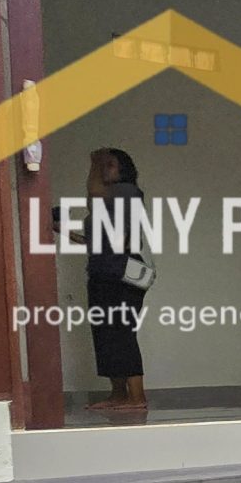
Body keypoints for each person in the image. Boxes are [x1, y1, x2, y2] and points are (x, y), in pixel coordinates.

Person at [84, 147, 148, 412]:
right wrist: (62, 231)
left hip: (121, 275)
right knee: (105, 335)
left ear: (123, 170)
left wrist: (95, 161)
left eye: (110, 165)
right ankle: (118, 395)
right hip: (103, 273)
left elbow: (93, 193)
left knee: (121, 333)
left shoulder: (127, 191)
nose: (103, 169)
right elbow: (96, 241)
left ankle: (137, 398)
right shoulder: (106, 203)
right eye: (103, 165)